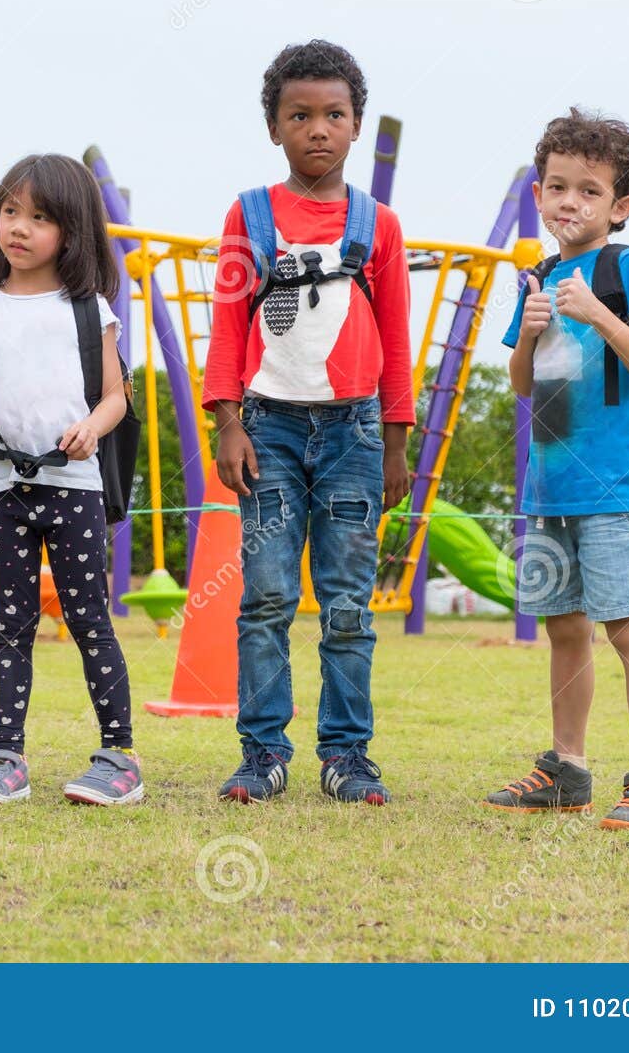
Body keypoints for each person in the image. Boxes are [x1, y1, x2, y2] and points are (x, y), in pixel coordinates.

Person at [202, 39, 414, 805]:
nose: (318, 128)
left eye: (334, 114)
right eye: (300, 115)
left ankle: (347, 756)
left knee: (348, 603)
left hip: (356, 435)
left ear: (355, 125)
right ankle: (262, 753)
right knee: (263, 596)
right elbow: (227, 326)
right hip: (270, 431)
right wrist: (229, 423)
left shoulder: (378, 225)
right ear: (274, 128)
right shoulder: (248, 214)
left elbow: (395, 332)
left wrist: (397, 442)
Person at [485, 107, 629, 832]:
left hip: (612, 487)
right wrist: (528, 335)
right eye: (558, 186)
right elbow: (522, 384)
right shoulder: (536, 275)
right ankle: (567, 770)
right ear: (539, 193)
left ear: (620, 206)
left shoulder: (622, 268)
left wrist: (599, 313)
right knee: (564, 630)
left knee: (628, 627)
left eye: (589, 191)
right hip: (550, 487)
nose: (570, 202)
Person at [0, 154, 141, 806]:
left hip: (76, 487)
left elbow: (117, 397)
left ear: (73, 231)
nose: (19, 228)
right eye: (9, 212)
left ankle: (119, 756)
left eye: (40, 217)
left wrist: (93, 424)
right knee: (10, 623)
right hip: (2, 489)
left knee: (90, 619)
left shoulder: (91, 313)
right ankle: (7, 757)